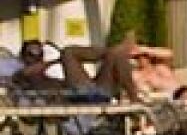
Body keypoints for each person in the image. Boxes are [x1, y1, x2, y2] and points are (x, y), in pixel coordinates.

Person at [11, 37, 142, 101]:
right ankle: (109, 51)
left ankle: (134, 98)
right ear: (23, 57)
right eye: (31, 54)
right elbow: (27, 72)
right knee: (68, 52)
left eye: (39, 53)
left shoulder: (47, 74)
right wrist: (59, 60)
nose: (36, 56)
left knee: (116, 53)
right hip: (79, 97)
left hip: (92, 91)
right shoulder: (20, 74)